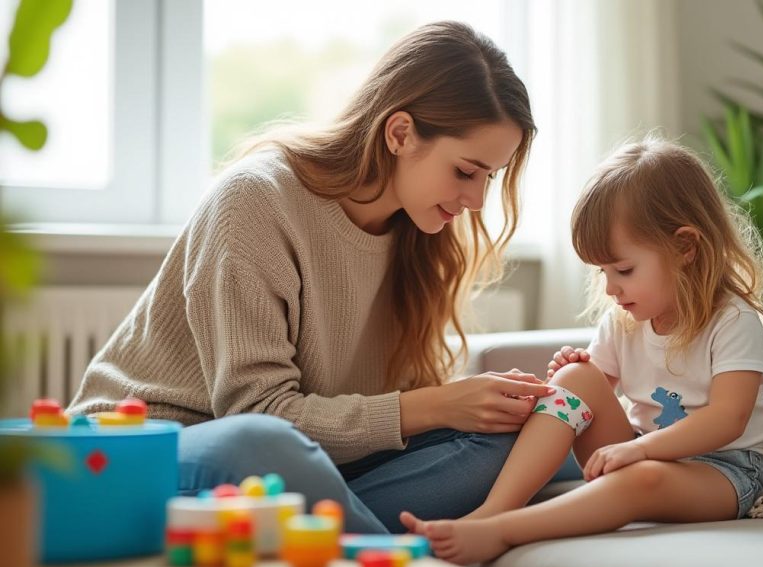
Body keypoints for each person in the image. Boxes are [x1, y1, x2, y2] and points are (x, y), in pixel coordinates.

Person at [67, 21, 554, 534]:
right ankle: (387, 554)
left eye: (489, 178)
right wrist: (434, 405)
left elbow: (361, 423)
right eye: (465, 171)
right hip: (149, 449)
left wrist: (476, 406)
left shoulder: (419, 233)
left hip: (305, 464)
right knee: (261, 442)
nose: (477, 200)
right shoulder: (255, 201)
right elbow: (257, 414)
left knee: (525, 438)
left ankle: (330, 528)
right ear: (400, 133)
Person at [401, 136, 763, 564]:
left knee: (641, 479)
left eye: (624, 269)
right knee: (575, 377)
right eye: (602, 272)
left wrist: (639, 450)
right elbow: (590, 394)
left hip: (723, 470)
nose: (611, 288)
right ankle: (493, 510)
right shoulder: (624, 319)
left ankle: (503, 531)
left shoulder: (731, 319)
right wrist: (571, 373)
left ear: (685, 247)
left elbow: (729, 419)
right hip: (640, 447)